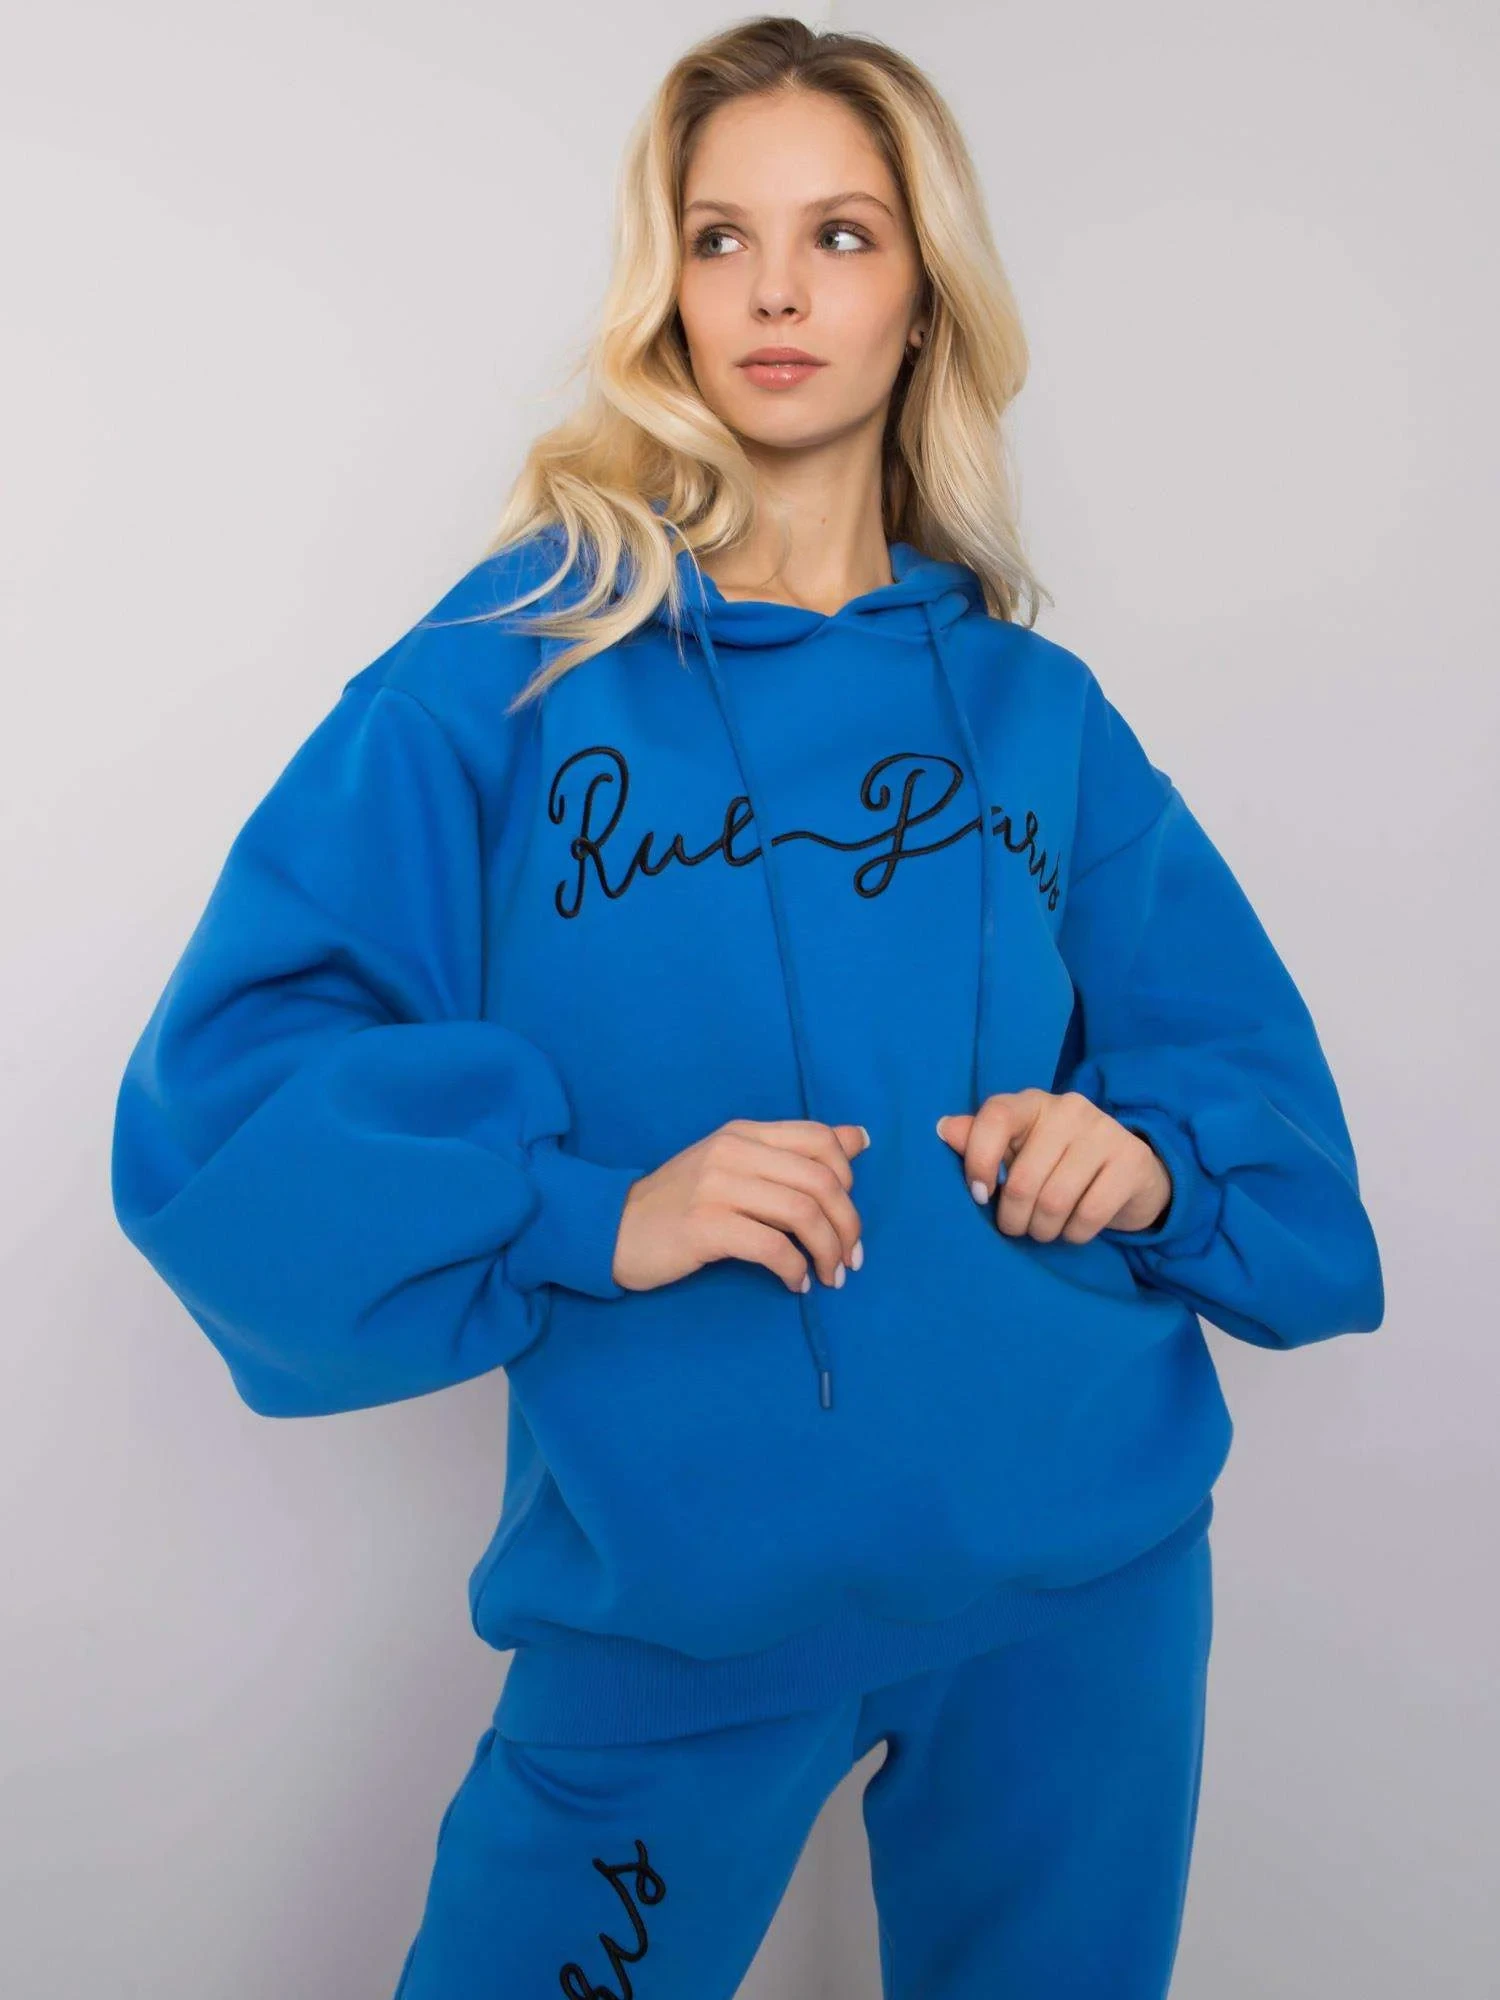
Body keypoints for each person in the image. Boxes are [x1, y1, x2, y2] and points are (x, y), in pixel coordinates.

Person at [109, 16, 1385, 1997]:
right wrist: (593, 1211)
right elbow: (221, 1096)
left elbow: (1272, 1130)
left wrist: (1136, 1159)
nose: (777, 289)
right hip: (676, 1619)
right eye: (722, 237)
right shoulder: (510, 672)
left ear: (925, 294)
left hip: (1086, 1588)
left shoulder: (1040, 716)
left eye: (842, 234)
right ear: (672, 288)